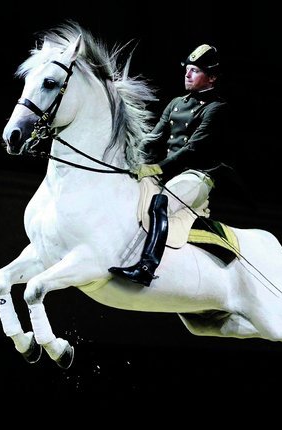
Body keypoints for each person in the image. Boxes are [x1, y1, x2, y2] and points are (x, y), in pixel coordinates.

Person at [109, 43, 236, 287]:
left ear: (211, 77)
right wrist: (129, 158)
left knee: (161, 202)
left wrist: (157, 168)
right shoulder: (176, 103)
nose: (187, 74)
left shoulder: (216, 109)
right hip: (169, 174)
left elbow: (192, 150)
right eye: (187, 69)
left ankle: (147, 266)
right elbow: (154, 139)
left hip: (197, 176)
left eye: (195, 71)